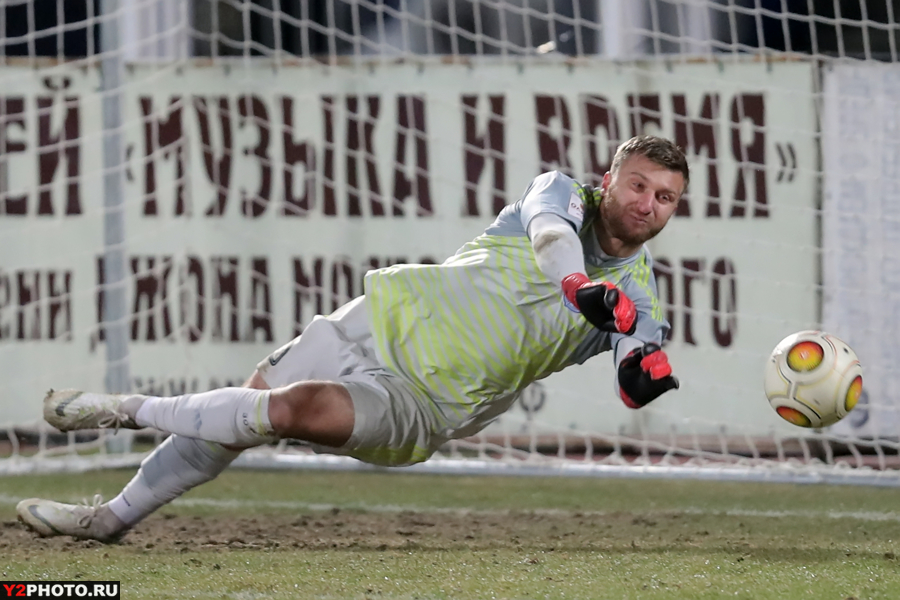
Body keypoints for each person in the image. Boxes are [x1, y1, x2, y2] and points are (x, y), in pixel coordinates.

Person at [17, 134, 688, 543]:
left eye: (664, 198)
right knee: (246, 411)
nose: (647, 204)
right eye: (638, 185)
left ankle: (123, 410)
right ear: (609, 180)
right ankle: (109, 520)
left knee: (292, 410)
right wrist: (578, 288)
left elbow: (637, 364)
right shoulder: (561, 193)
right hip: (382, 318)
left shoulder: (640, 298)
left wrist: (641, 375)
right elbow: (549, 237)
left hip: (426, 402)